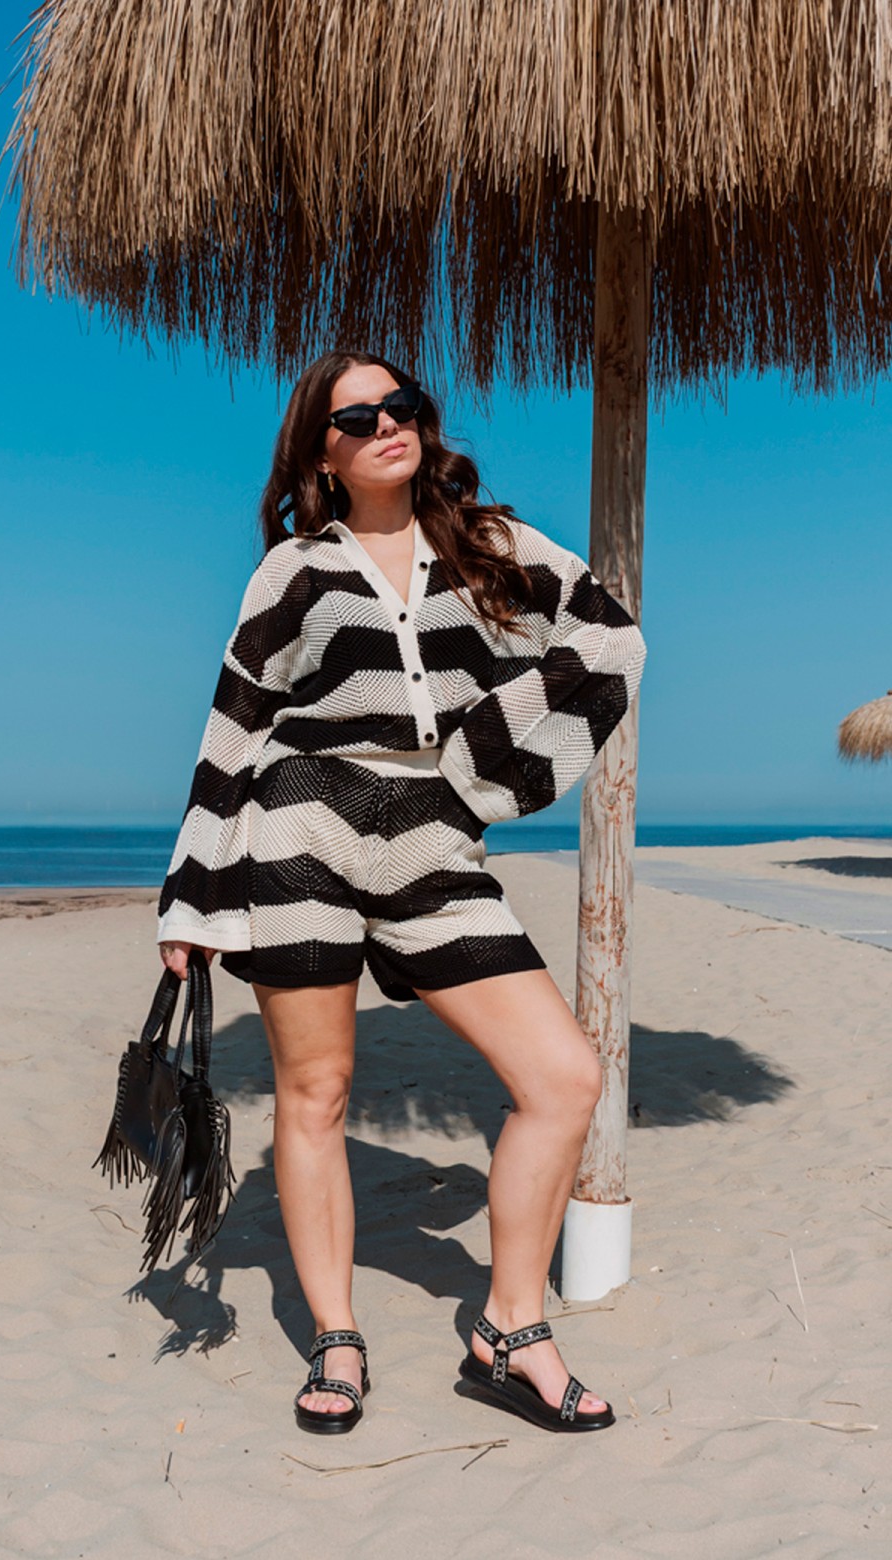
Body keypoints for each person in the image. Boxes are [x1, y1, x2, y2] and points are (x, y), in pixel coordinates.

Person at [156, 351, 647, 1436]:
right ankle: (336, 1336)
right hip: (303, 827)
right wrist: (191, 898)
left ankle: (509, 1329)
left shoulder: (488, 547)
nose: (387, 424)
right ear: (321, 456)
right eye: (357, 417)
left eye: (402, 405)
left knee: (564, 1078)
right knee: (317, 1093)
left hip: (435, 838)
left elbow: (610, 635)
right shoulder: (293, 570)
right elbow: (233, 728)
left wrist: (492, 766)